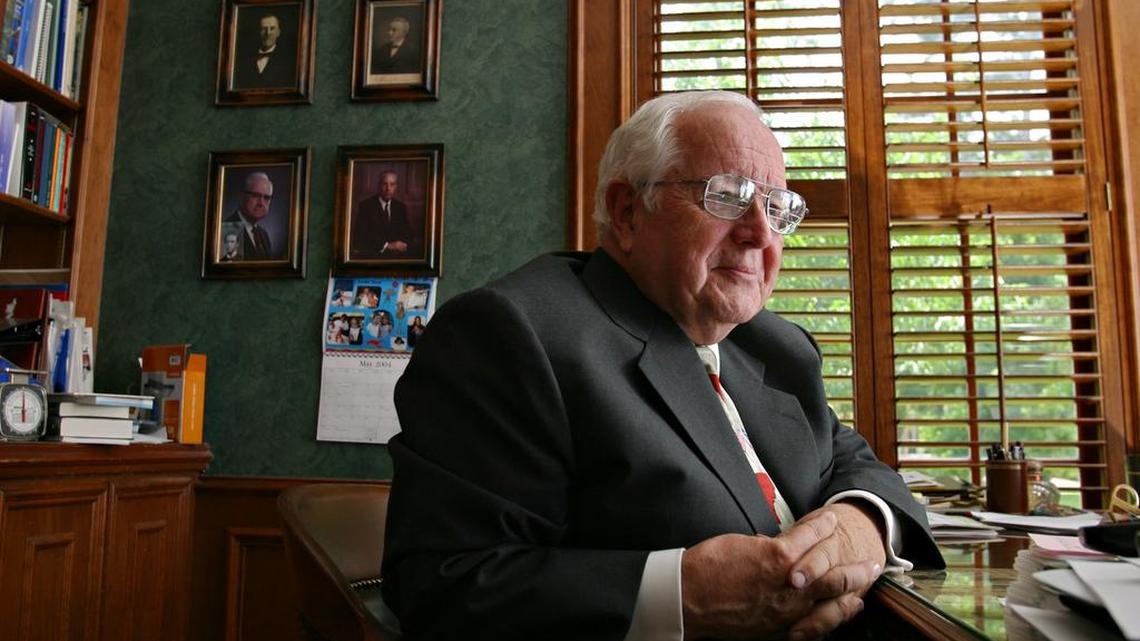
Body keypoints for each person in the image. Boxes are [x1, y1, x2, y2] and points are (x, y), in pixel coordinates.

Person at [381, 90, 944, 641]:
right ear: (628, 211)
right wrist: (682, 597)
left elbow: (857, 465)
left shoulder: (776, 346)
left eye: (777, 208)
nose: (759, 233)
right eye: (727, 195)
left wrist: (864, 524)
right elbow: (444, 586)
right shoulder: (512, 333)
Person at [350, 170, 414, 259]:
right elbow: (360, 238)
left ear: (396, 187)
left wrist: (403, 245)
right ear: (379, 185)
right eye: (385, 184)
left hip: (396, 259)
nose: (388, 188)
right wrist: (387, 245)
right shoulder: (366, 206)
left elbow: (409, 235)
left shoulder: (401, 207)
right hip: (373, 259)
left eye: (392, 184)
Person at [224, 172, 280, 261]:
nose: (261, 203)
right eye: (255, 196)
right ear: (242, 196)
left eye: (266, 198)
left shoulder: (263, 235)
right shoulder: (227, 230)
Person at [235, 13, 294, 89]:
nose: (268, 33)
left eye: (272, 28)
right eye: (264, 29)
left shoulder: (287, 61)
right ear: (258, 32)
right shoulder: (243, 59)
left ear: (278, 33)